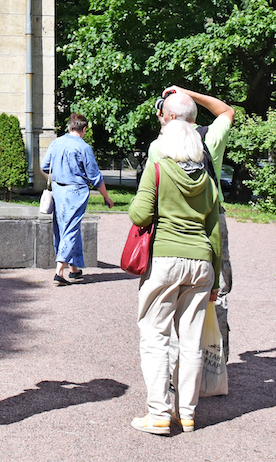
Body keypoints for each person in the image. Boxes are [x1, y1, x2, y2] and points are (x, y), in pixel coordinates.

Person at [129, 119, 222, 436]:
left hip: (166, 261)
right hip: (201, 265)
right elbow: (216, 234)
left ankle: (158, 413)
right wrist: (217, 280)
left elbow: (139, 215)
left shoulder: (157, 171)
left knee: (155, 336)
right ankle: (187, 414)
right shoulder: (209, 183)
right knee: (192, 341)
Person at [150, 85, 235, 360]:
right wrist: (187, 94)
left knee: (169, 295)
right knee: (215, 292)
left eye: (162, 114)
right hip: (211, 221)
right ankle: (214, 361)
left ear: (171, 118)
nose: (159, 118)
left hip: (169, 225)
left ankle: (176, 366)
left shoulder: (157, 148)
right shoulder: (210, 137)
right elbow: (226, 111)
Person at [42, 112, 114, 285]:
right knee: (71, 228)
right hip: (76, 192)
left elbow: (45, 166)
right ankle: (59, 271)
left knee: (62, 228)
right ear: (84, 129)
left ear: (69, 126)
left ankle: (74, 269)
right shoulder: (84, 148)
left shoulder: (56, 142)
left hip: (58, 190)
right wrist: (106, 196)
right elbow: (95, 177)